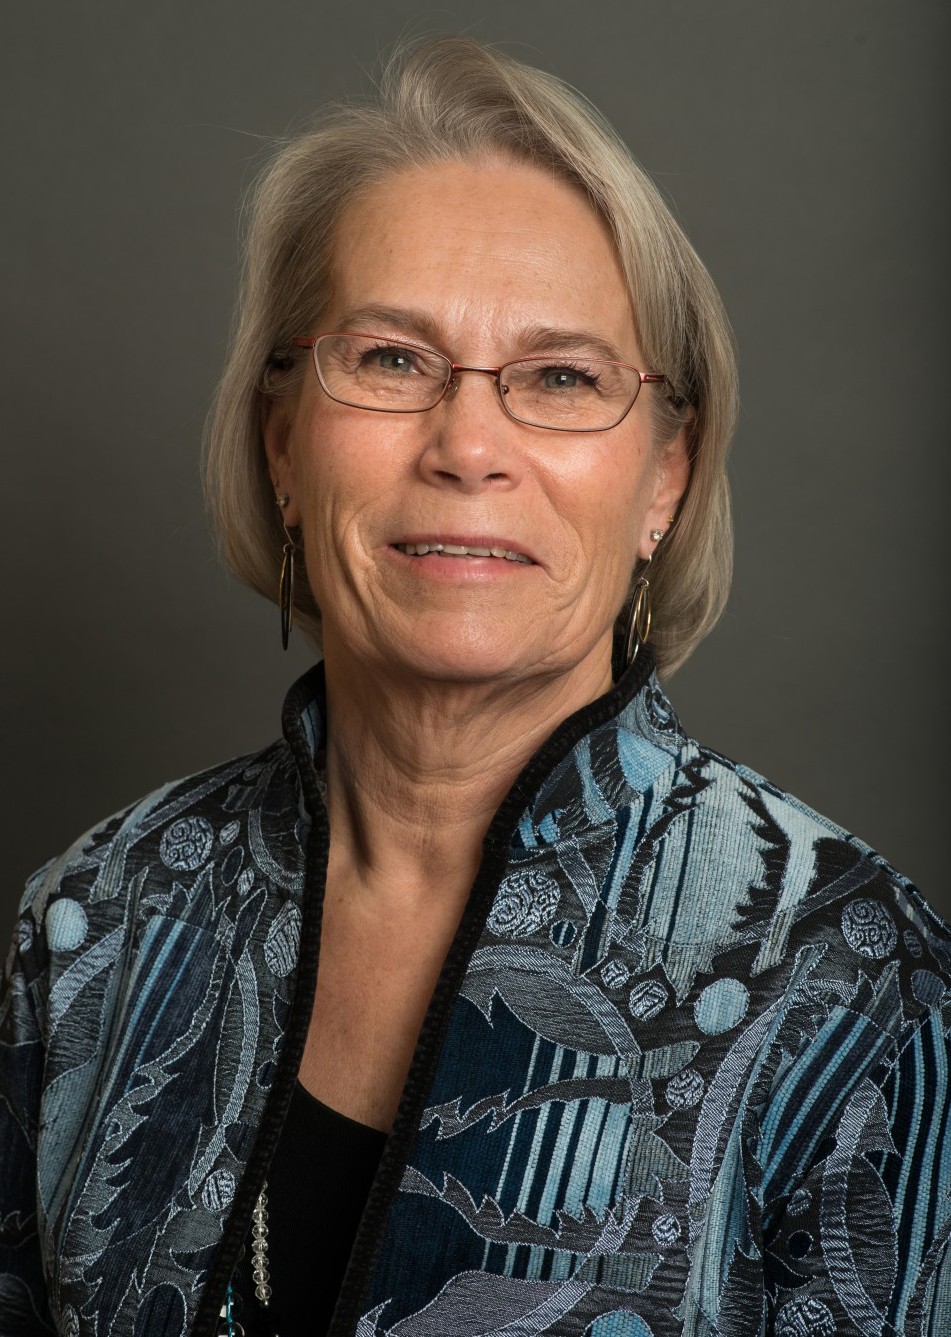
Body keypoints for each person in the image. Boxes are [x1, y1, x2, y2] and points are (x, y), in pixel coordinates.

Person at [1, 34, 949, 1337]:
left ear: (665, 479)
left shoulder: (854, 979)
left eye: (561, 378)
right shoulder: (94, 922)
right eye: (391, 359)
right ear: (284, 445)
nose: (467, 444)